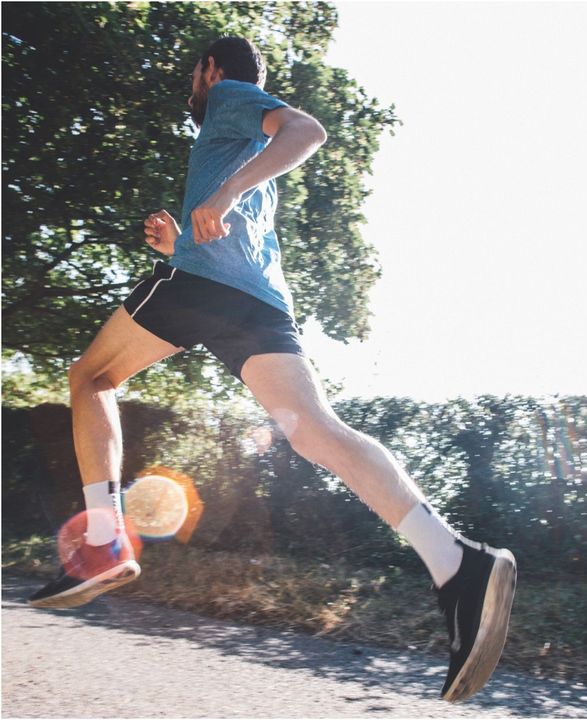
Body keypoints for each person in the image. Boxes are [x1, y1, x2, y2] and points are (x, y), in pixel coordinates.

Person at [27, 37, 515, 703]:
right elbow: (237, 222)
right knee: (314, 430)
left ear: (210, 69)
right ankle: (457, 561)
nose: (192, 92)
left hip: (204, 289)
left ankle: (105, 541)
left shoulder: (229, 97)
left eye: (193, 78)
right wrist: (191, 232)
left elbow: (307, 129)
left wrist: (221, 195)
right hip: (253, 300)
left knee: (92, 377)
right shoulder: (242, 136)